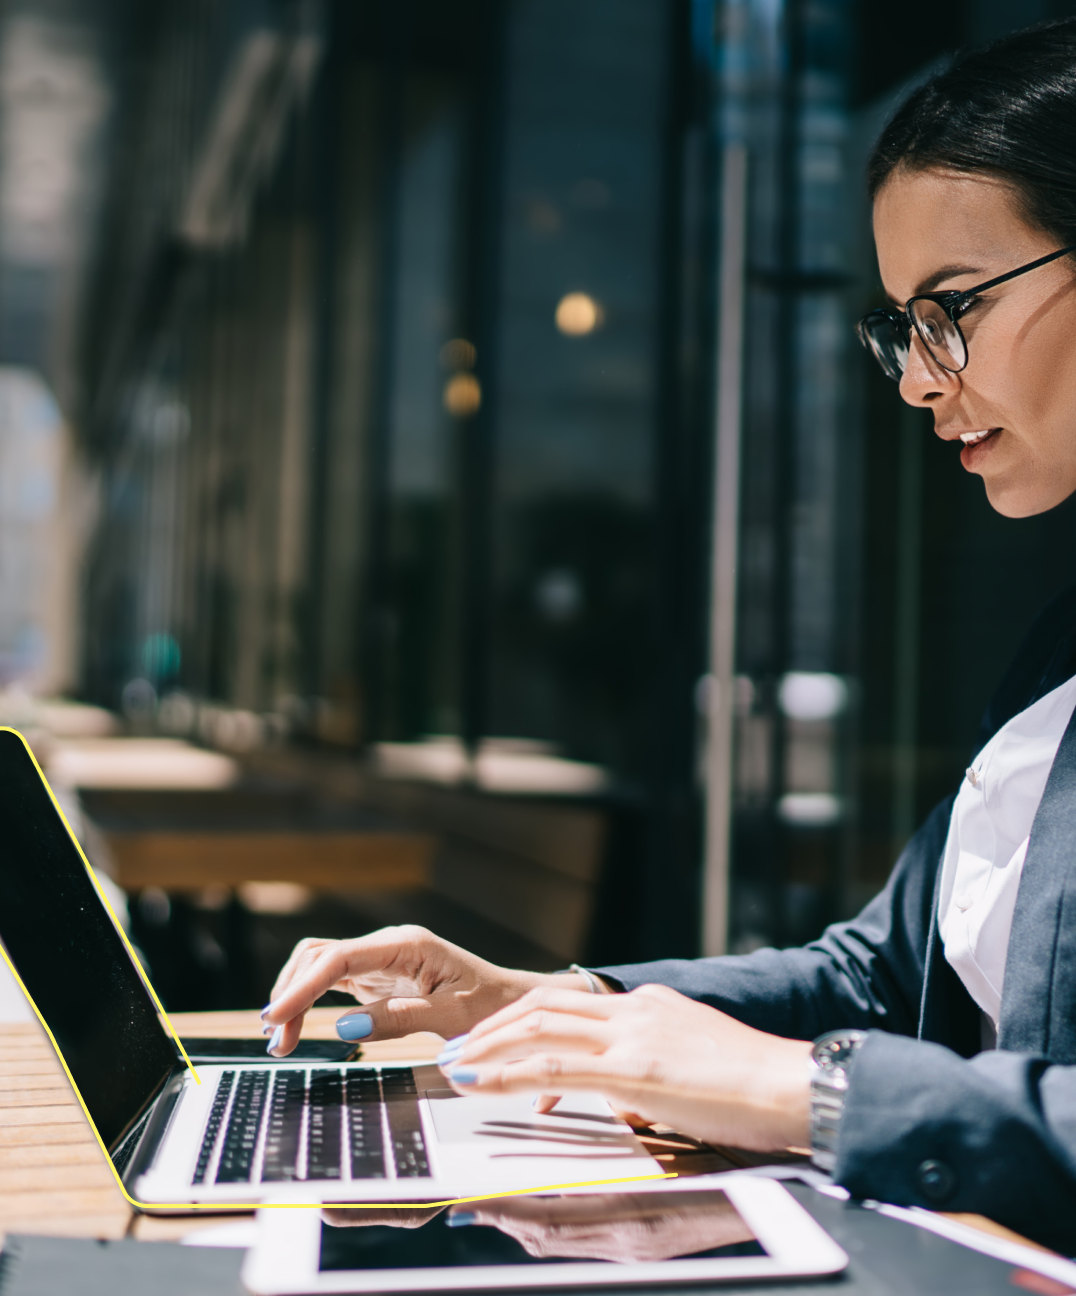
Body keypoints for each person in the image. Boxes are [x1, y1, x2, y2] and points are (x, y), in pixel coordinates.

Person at [262, 20, 1076, 1252]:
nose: (915, 378)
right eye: (901, 325)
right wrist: (552, 1004)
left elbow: (867, 1041)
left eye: (950, 308)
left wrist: (805, 1096)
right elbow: (877, 975)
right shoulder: (1055, 649)